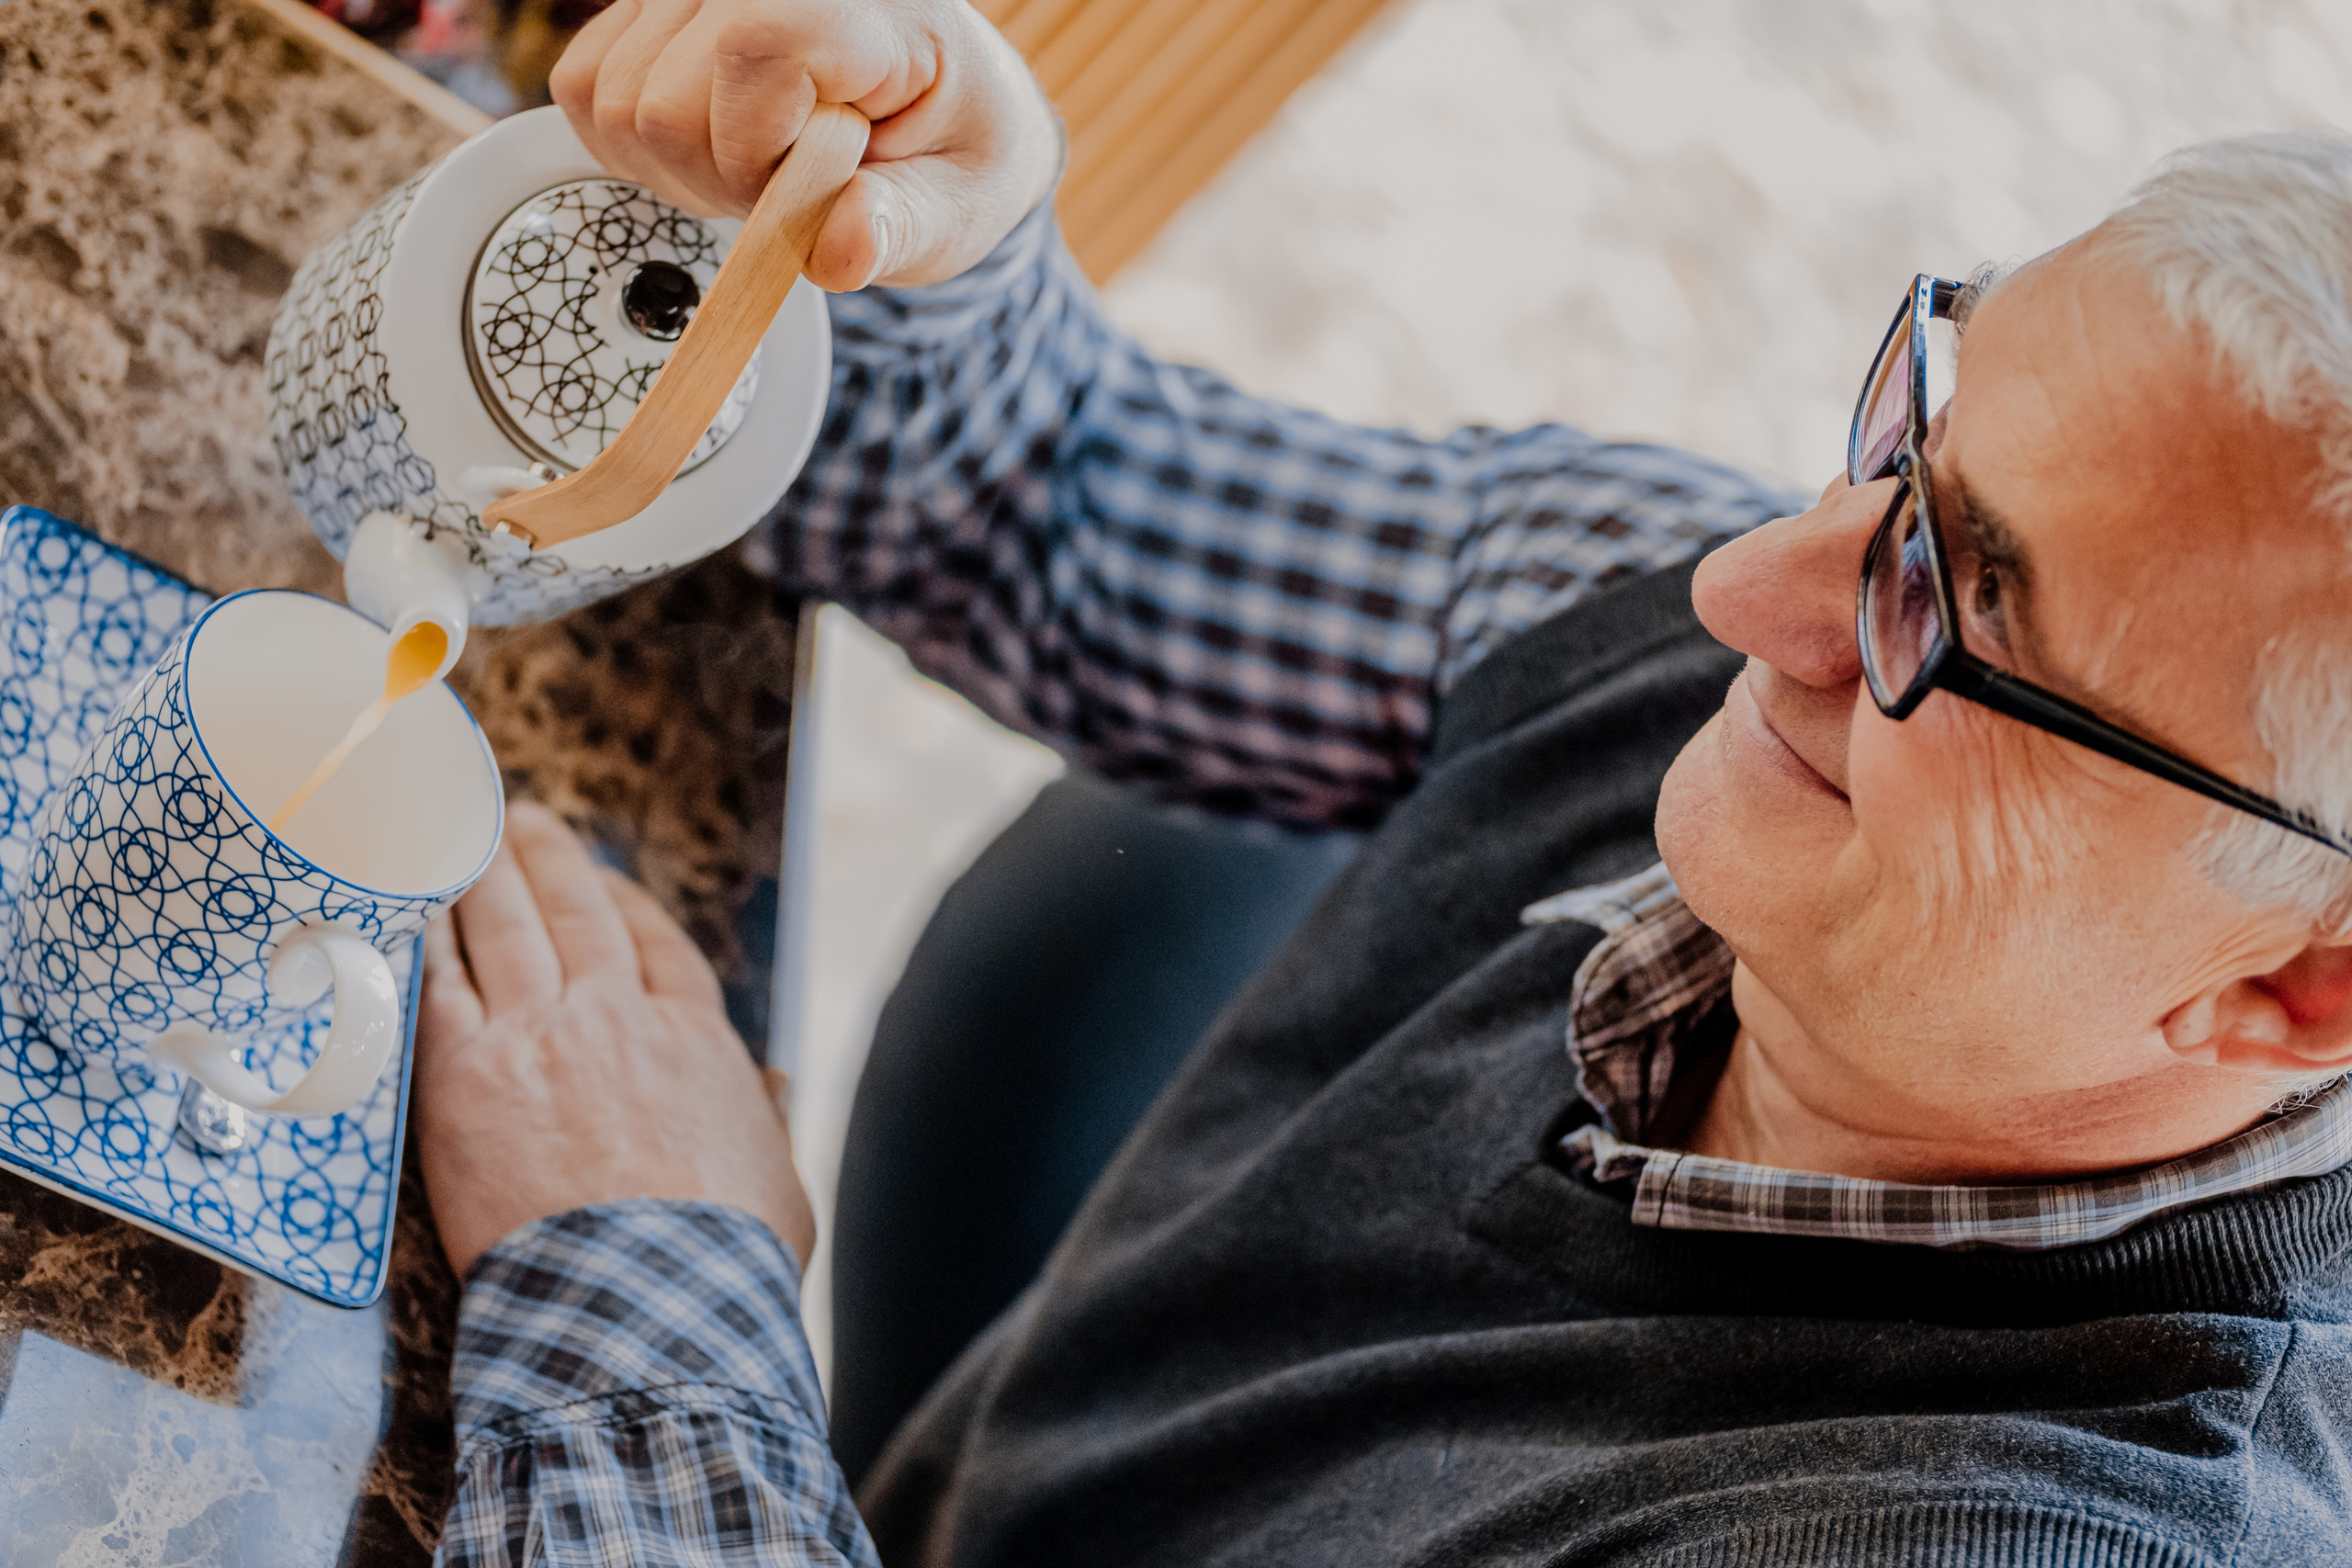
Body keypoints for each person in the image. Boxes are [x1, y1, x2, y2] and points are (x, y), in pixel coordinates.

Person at [412, 1, 2352, 1562]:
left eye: (1955, 608)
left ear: (2296, 986)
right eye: (1906, 428)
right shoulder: (1739, 613)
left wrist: (654, 1301)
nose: (1743, 584)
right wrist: (924, 215)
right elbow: (1054, 500)